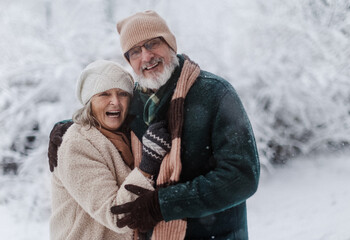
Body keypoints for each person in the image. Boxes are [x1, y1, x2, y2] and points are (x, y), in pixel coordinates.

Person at [48, 10, 260, 240]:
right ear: (129, 61)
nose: (146, 56)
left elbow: (242, 176)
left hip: (215, 234)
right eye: (135, 51)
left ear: (170, 44)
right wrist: (69, 126)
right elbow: (106, 118)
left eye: (152, 44)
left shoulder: (214, 94)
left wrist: (163, 204)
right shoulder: (137, 102)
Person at [49, 60, 171, 240]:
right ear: (89, 102)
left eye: (122, 94)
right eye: (104, 94)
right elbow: (117, 215)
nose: (115, 102)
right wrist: (147, 166)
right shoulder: (76, 145)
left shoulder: (130, 137)